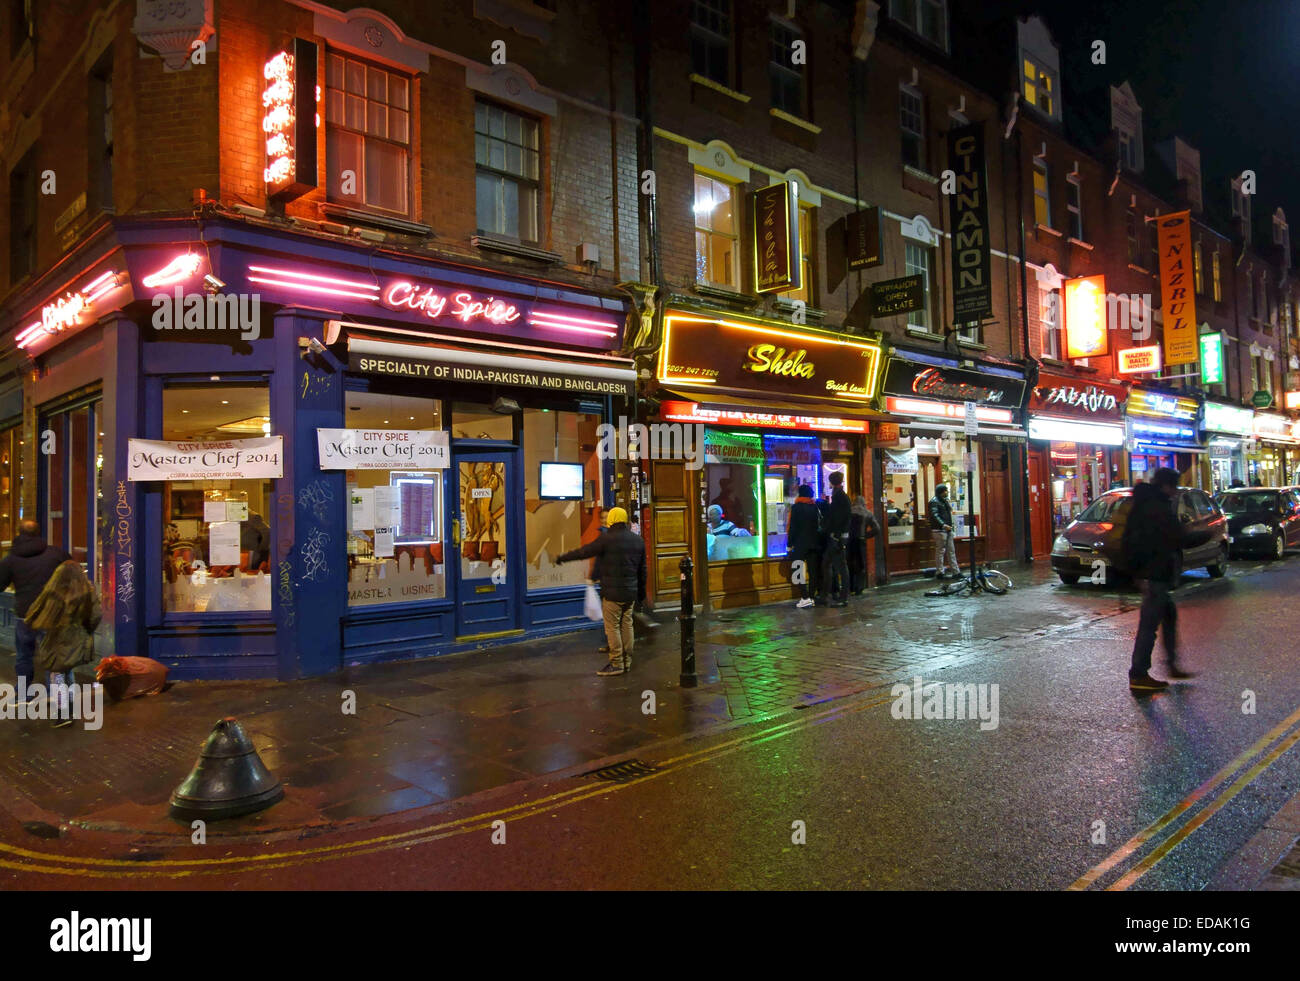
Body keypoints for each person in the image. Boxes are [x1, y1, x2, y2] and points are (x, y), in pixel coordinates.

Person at [1121, 467, 1195, 693]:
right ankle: (1139, 674)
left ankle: (1171, 664)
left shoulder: (1147, 503)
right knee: (1149, 626)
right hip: (1154, 574)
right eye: (1174, 486)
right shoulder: (1157, 507)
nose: (1175, 492)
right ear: (1166, 486)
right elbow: (1176, 536)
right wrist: (1204, 534)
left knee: (1168, 616)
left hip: (1152, 573)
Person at [556, 507, 646, 677]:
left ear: (612, 519)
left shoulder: (606, 539)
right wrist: (641, 594)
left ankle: (617, 662)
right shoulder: (638, 540)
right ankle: (627, 661)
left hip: (612, 594)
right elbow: (643, 570)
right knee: (627, 625)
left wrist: (563, 557)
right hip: (630, 593)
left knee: (612, 627)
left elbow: (584, 552)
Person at [25, 560, 101, 727]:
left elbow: (34, 613)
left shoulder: (53, 591)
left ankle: (63, 714)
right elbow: (95, 616)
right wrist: (85, 629)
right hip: (76, 638)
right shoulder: (87, 591)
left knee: (57, 674)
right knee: (68, 673)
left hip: (56, 639)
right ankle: (69, 710)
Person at [0, 519, 71, 690]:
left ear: (19, 533)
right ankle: (57, 694)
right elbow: (73, 574)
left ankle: (23, 690)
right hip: (51, 613)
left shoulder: (11, 559)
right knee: (53, 656)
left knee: (24, 655)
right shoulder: (56, 554)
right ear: (39, 533)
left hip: (25, 614)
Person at [785, 484, 821, 609]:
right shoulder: (814, 507)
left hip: (800, 544)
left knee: (797, 570)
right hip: (814, 544)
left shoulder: (796, 508)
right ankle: (811, 597)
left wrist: (789, 545)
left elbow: (792, 528)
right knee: (813, 572)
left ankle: (805, 597)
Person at [820, 471, 851, 607]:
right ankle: (828, 594)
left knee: (840, 567)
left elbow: (839, 518)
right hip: (837, 536)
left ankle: (842, 597)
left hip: (836, 537)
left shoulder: (839, 497)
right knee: (828, 564)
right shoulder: (840, 495)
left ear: (831, 482)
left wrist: (836, 535)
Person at [848, 495, 882, 596]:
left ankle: (850, 587)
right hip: (860, 541)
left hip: (849, 541)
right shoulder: (868, 513)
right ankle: (859, 588)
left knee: (849, 563)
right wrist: (865, 536)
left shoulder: (848, 511)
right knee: (860, 564)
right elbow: (877, 528)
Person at [929, 483, 960, 579]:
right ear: (941, 492)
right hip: (940, 530)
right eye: (946, 490)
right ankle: (940, 572)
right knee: (941, 551)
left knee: (951, 551)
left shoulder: (944, 501)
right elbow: (935, 515)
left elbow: (949, 512)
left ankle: (956, 572)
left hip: (948, 529)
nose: (947, 492)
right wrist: (943, 524)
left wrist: (948, 504)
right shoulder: (934, 501)